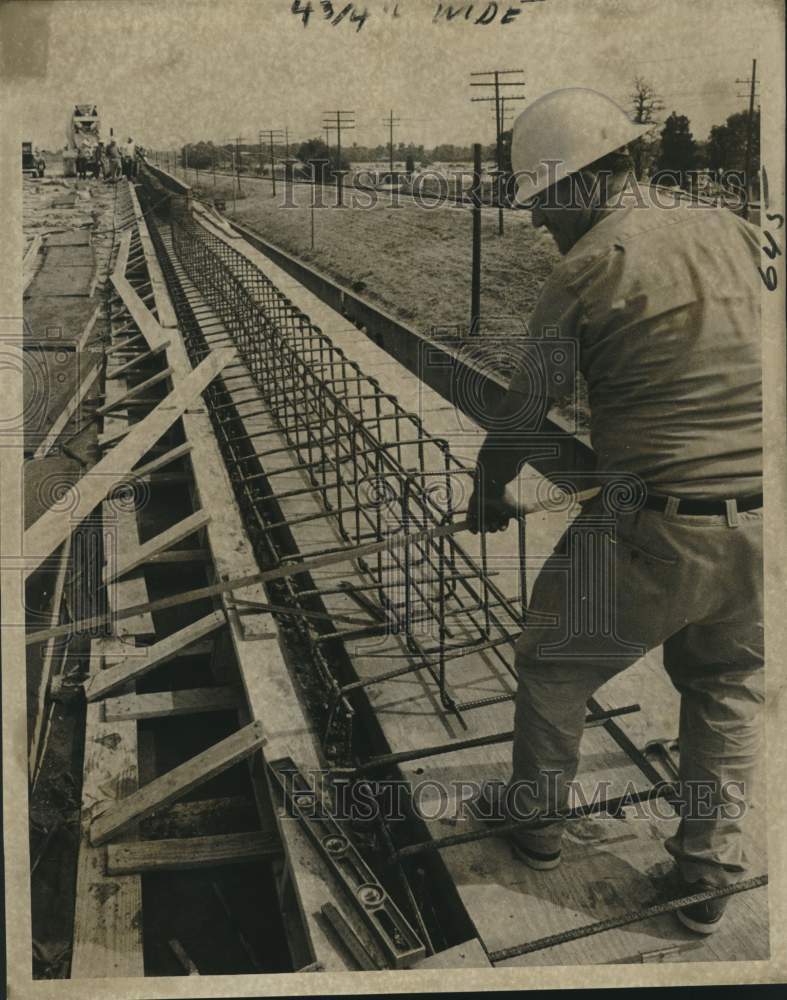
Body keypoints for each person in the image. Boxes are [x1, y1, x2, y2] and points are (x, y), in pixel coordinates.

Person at [467, 88, 763, 936]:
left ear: (581, 181)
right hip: (764, 522)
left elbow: (524, 412)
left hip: (654, 524)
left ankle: (535, 824)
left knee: (553, 660)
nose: (535, 220)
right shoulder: (737, 230)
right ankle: (706, 873)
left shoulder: (590, 266)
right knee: (725, 685)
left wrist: (488, 490)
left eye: (541, 199)